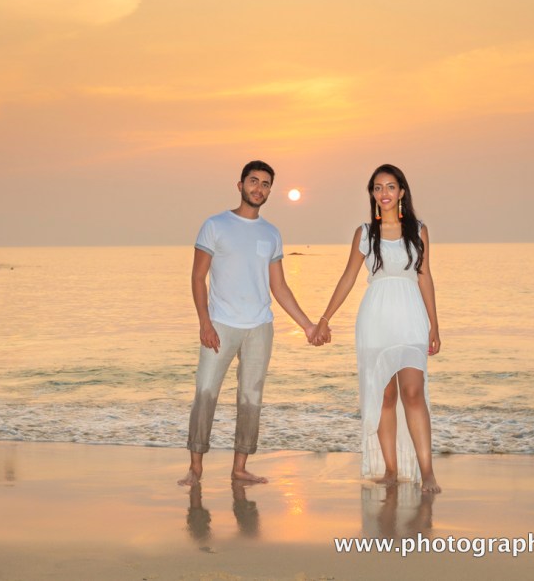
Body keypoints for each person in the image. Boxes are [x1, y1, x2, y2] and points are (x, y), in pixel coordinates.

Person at [178, 160, 320, 487]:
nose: (259, 188)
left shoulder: (271, 233)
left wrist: (308, 326)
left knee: (250, 398)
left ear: (271, 190)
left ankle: (239, 468)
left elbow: (279, 287)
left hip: (260, 327)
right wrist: (205, 323)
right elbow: (198, 278)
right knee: (205, 393)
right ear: (239, 185)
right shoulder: (215, 225)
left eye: (265, 183)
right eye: (253, 181)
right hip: (221, 324)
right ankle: (195, 467)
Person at [314, 164, 442, 492]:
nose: (383, 193)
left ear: (401, 192)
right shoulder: (364, 233)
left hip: (410, 317)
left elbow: (425, 277)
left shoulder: (419, 230)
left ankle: (427, 472)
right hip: (375, 319)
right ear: (372, 194)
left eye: (390, 187)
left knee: (413, 391)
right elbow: (348, 278)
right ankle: (389, 470)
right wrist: (325, 319)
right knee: (385, 396)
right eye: (377, 188)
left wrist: (434, 325)